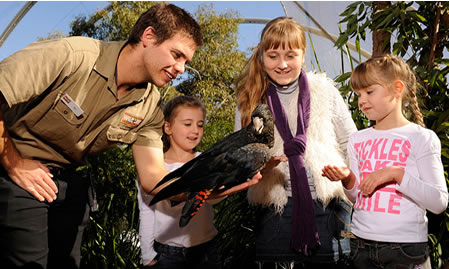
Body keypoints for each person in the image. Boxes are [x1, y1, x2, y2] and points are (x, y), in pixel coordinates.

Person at [0, 4, 258, 268]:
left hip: (68, 183)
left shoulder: (149, 107)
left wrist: (208, 187)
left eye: (186, 62)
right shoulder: (74, 56)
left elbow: (154, 180)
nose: (181, 69)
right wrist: (14, 162)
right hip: (16, 169)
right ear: (148, 36)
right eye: (176, 54)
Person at [234, 17, 358, 268]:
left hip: (328, 207)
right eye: (273, 56)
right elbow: (241, 156)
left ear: (303, 56)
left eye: (291, 55)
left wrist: (352, 184)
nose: (282, 64)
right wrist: (259, 165)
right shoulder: (250, 98)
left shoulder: (325, 91)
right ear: (262, 57)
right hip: (274, 211)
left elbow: (352, 143)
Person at [322, 54, 448, 269]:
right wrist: (348, 179)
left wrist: (396, 174)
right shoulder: (357, 139)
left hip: (406, 250)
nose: (361, 101)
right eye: (358, 94)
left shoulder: (421, 138)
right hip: (361, 245)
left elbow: (439, 202)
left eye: (369, 92)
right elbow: (356, 197)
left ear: (397, 89)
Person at [136, 95, 222, 269]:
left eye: (200, 125)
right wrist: (147, 255)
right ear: (167, 127)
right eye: (187, 124)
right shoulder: (152, 167)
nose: (195, 130)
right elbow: (146, 211)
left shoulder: (205, 161)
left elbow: (214, 199)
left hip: (206, 251)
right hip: (167, 254)